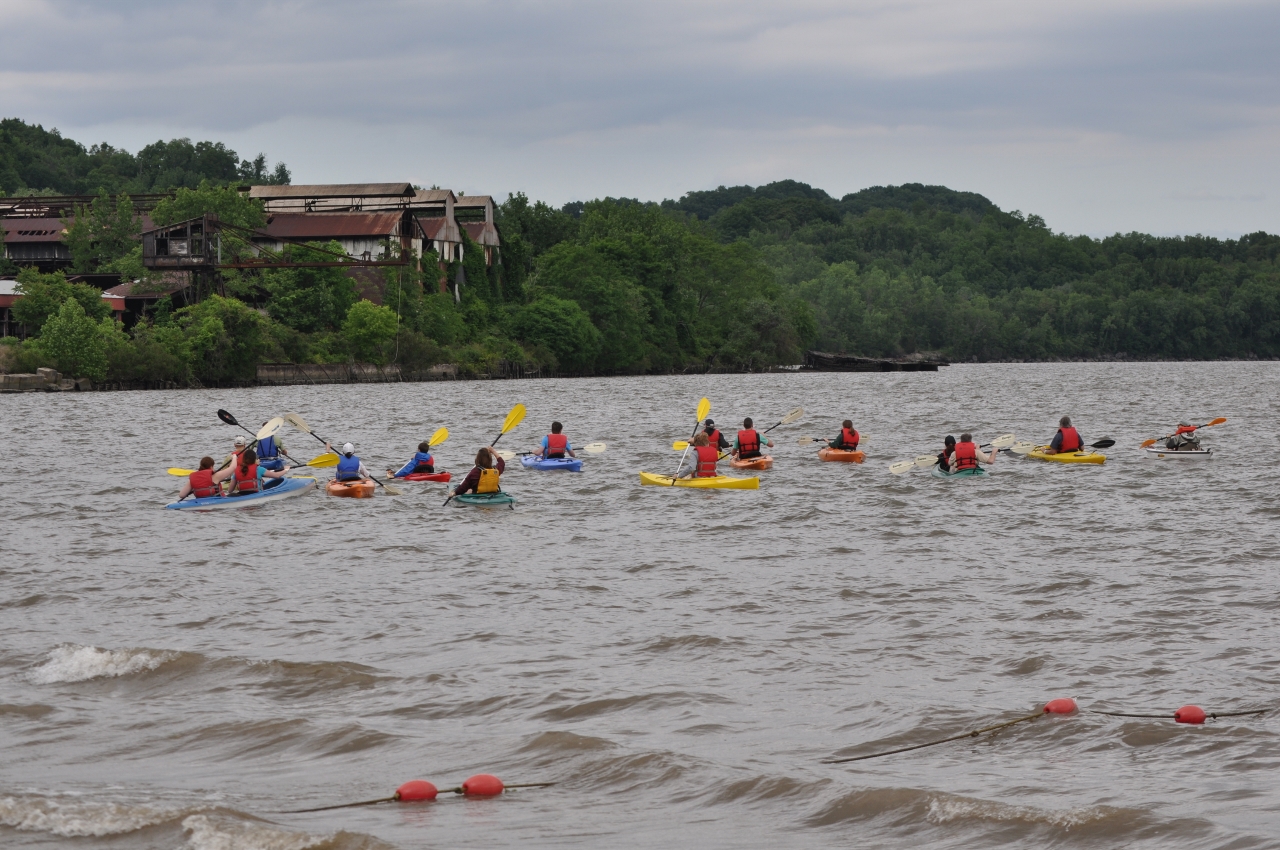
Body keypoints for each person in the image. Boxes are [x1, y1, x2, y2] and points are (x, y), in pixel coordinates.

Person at [225, 448, 291, 496]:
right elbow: (277, 475)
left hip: (242, 496)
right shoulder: (258, 469)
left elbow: (230, 490)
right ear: (254, 459)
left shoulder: (236, 471)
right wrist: (286, 470)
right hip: (256, 495)